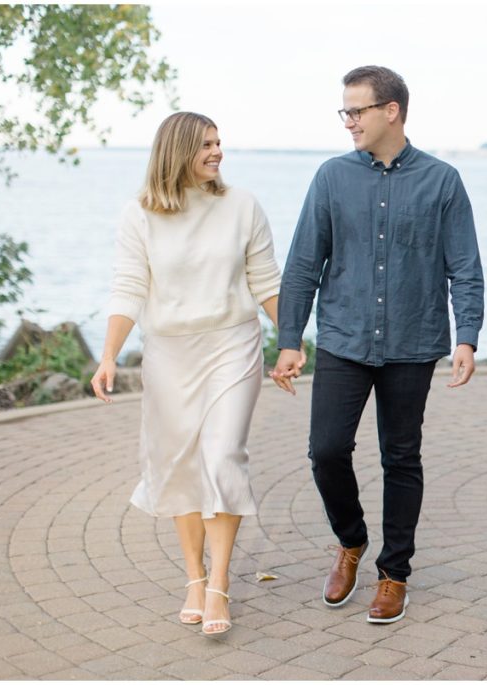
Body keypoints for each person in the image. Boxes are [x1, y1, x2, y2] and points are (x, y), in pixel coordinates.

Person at [273, 65, 485, 624]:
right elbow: (302, 265)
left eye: (356, 110)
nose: (348, 122)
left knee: (401, 456)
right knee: (326, 451)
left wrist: (468, 336)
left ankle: (395, 573)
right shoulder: (330, 177)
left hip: (414, 341)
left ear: (391, 110)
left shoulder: (443, 181)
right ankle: (351, 540)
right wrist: (289, 339)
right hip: (343, 337)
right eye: (344, 111)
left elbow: (464, 268)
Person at [90, 112, 303, 636]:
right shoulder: (138, 215)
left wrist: (291, 340)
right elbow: (128, 288)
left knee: (221, 455)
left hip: (233, 344)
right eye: (206, 144)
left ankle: (219, 584)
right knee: (181, 465)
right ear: (177, 150)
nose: (217, 152)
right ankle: (193, 577)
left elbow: (265, 280)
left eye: (219, 142)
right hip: (169, 353)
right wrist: (109, 355)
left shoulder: (241, 205)